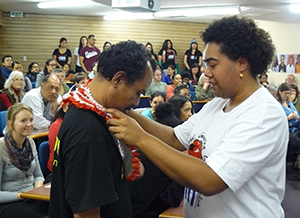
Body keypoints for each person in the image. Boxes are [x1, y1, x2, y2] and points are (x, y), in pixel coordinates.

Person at [106, 16, 288, 218]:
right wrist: (128, 112)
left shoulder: (262, 114)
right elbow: (175, 138)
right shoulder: (219, 102)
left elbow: (210, 180)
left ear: (242, 63)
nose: (206, 73)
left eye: (212, 64)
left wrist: (140, 138)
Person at [48, 40, 156, 218]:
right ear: (118, 79)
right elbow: (86, 213)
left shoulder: (91, 111)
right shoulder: (88, 131)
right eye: (137, 92)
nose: (137, 102)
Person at [0, 103, 48, 218]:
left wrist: (37, 190)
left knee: (61, 208)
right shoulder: (1, 148)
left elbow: (38, 175)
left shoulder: (30, 142)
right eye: (23, 121)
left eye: (31, 120)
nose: (29, 124)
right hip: (10, 201)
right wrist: (23, 195)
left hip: (33, 197)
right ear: (10, 124)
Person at [277, 83, 300, 178]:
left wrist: (298, 118)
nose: (287, 96)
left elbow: (297, 114)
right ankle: (298, 162)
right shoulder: (277, 105)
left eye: (289, 93)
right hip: (286, 130)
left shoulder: (290, 103)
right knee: (297, 142)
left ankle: (298, 160)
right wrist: (288, 118)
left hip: (296, 128)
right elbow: (277, 121)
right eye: (285, 93)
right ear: (280, 92)